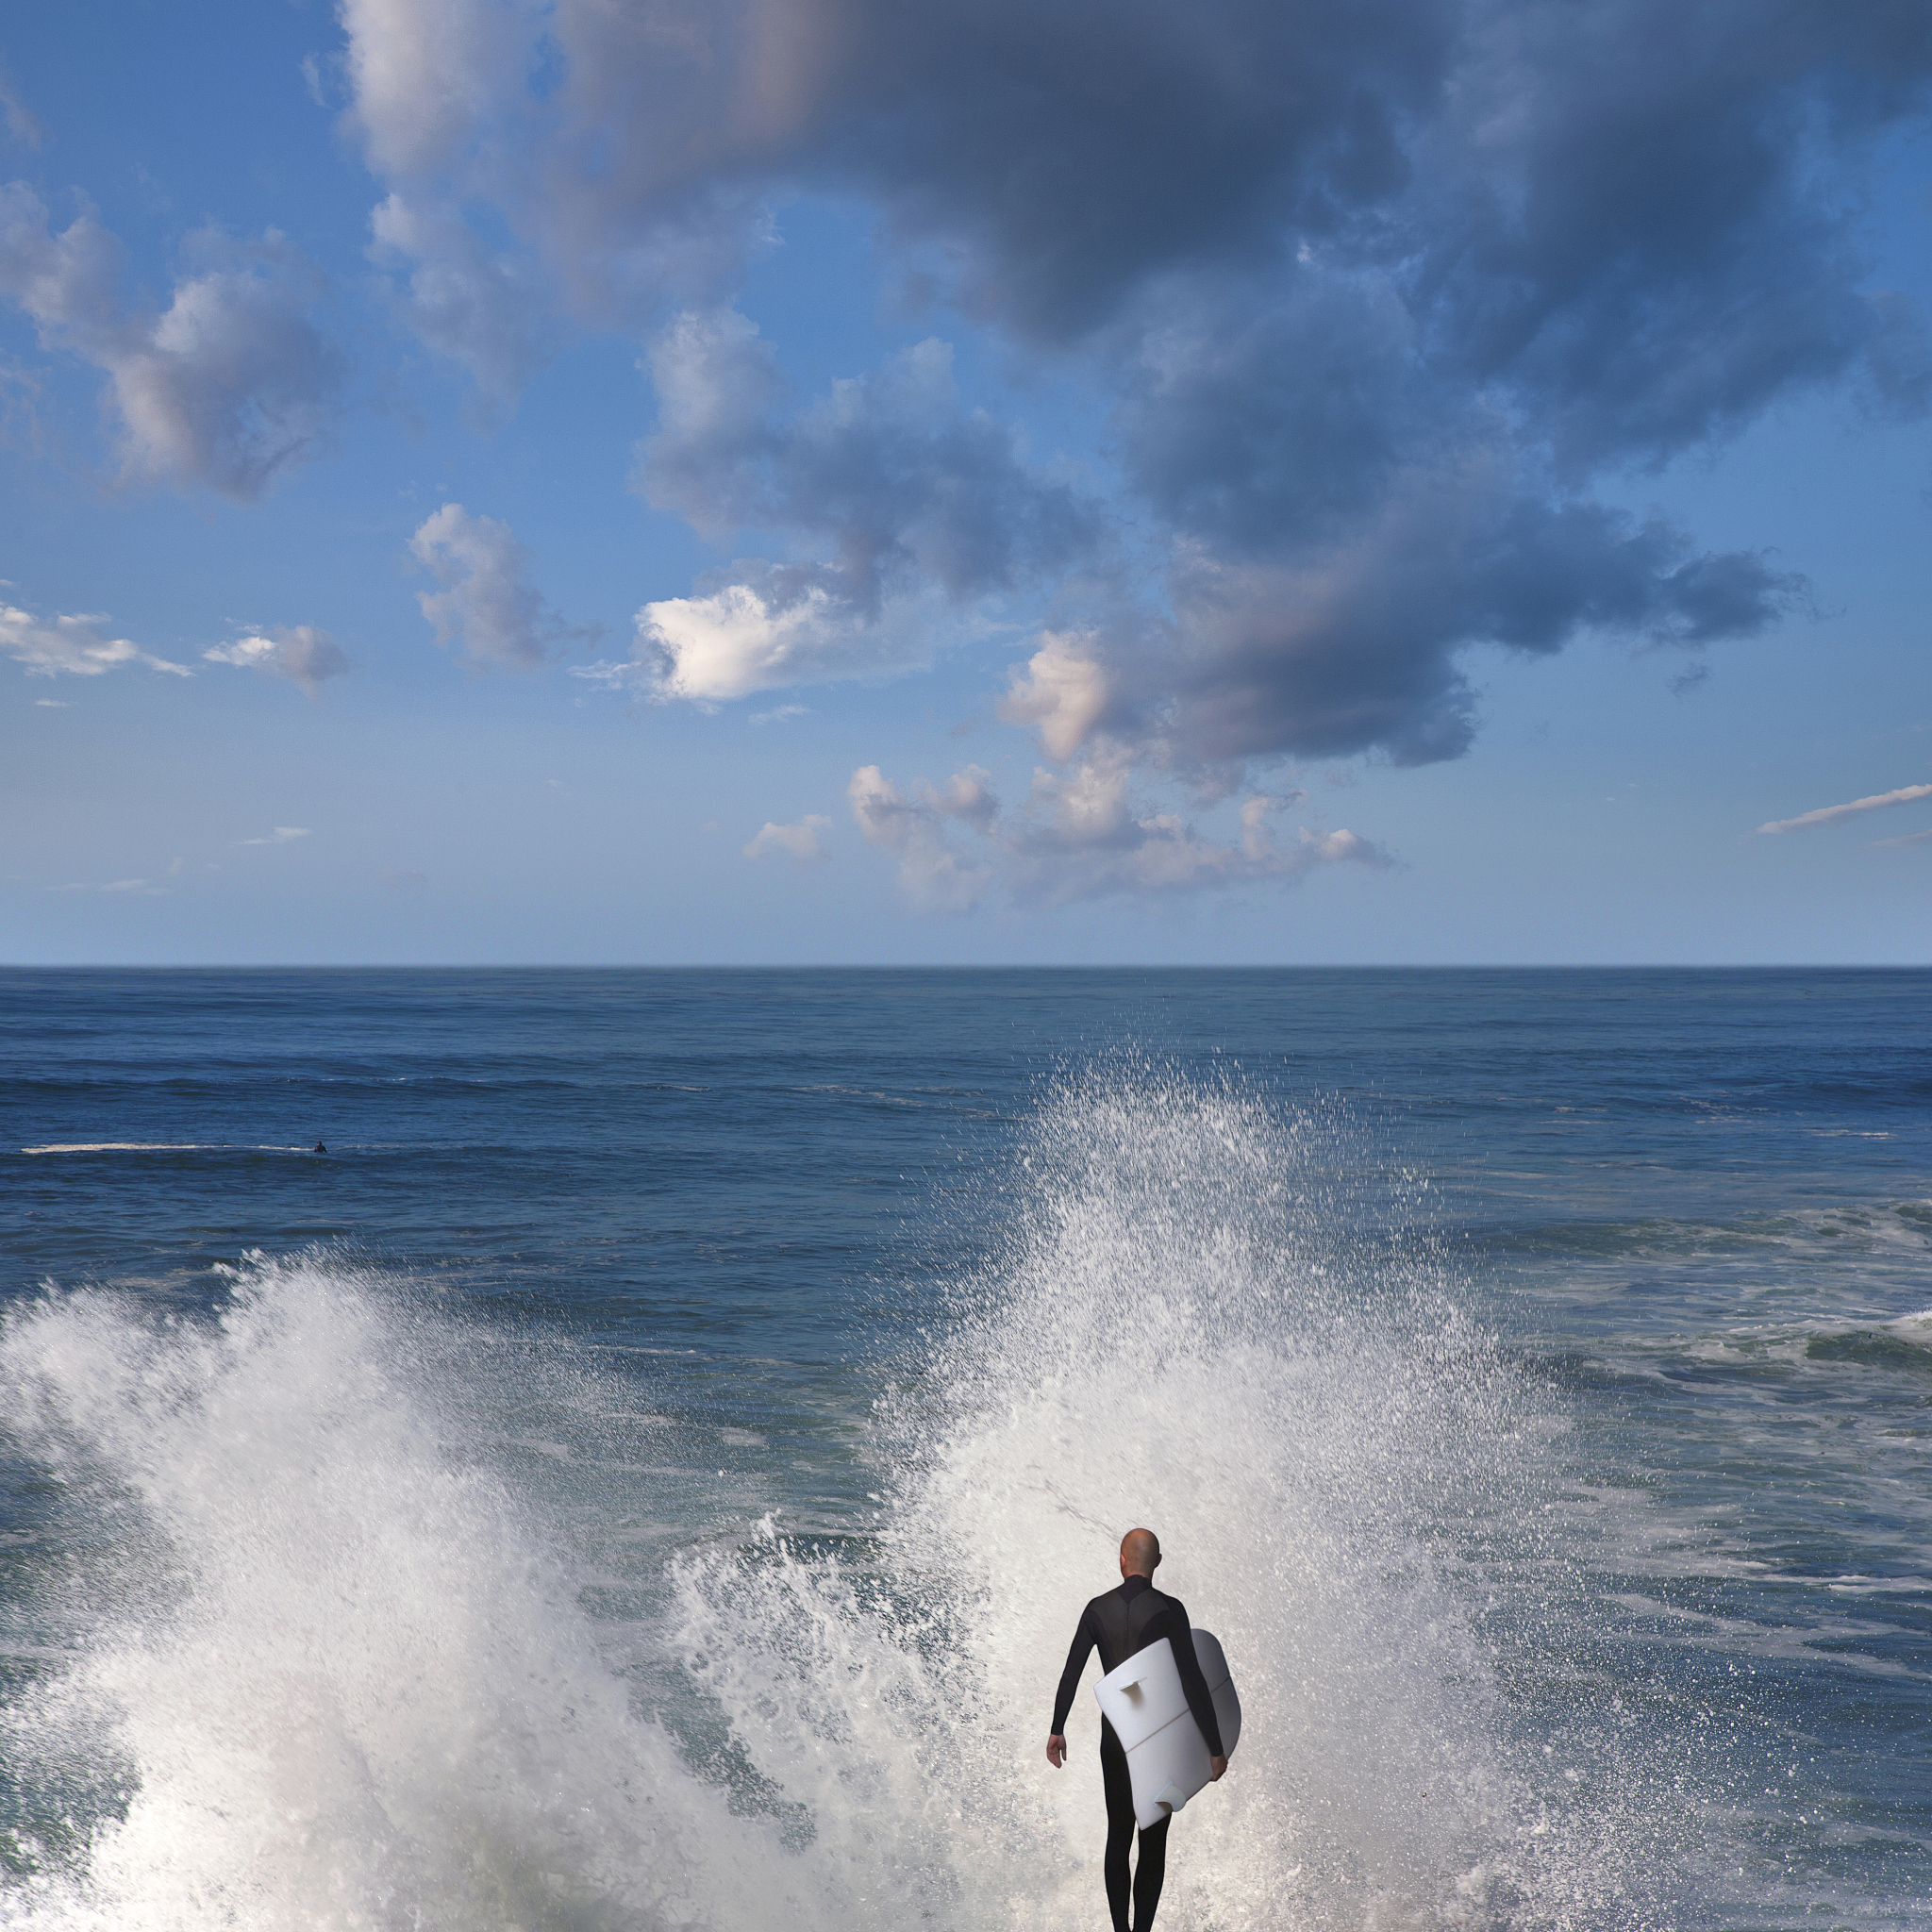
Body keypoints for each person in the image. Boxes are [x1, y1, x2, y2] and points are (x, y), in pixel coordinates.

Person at [1047, 1528, 1226, 1932]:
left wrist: (1057, 1728)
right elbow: (1193, 1682)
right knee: (1153, 1840)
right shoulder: (1170, 1609)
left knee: (1118, 1835)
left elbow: (1071, 1672)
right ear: (1157, 1562)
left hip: (1115, 1738)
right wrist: (1215, 1747)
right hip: (1157, 1739)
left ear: (1122, 1559)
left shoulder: (1096, 1609)